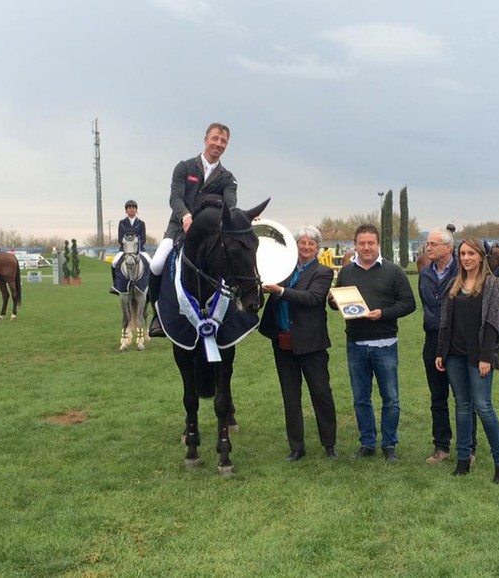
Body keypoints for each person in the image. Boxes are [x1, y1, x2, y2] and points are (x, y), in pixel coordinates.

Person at [331, 224, 416, 464]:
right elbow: (336, 302)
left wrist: (384, 313)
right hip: (356, 344)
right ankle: (367, 442)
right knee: (361, 398)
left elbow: (409, 303)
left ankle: (389, 444)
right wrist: (334, 301)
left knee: (390, 398)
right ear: (355, 245)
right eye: (361, 243)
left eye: (370, 243)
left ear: (378, 244)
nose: (366, 247)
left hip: (385, 343)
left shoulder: (393, 271)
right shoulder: (346, 272)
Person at [148, 122, 237, 337]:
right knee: (157, 264)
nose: (218, 143)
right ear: (206, 139)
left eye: (223, 141)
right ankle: (157, 315)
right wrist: (186, 216)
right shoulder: (184, 167)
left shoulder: (228, 178)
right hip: (179, 228)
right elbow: (175, 197)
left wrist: (241, 216)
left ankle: (234, 312)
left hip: (210, 234)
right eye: (215, 138)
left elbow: (230, 204)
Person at [259, 226, 338, 462]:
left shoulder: (323, 272)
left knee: (321, 394)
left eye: (310, 244)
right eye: (302, 243)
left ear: (317, 248)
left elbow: (312, 298)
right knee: (290, 396)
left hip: (311, 344)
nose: (305, 247)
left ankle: (329, 444)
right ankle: (296, 447)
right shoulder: (281, 267)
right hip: (282, 341)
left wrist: (281, 291)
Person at [435, 238, 499, 483]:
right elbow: (446, 323)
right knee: (462, 407)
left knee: (484, 407)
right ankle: (463, 460)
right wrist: (440, 352)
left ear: (480, 257)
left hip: (479, 357)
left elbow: (492, 324)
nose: (466, 258)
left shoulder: (491, 285)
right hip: (454, 355)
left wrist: (487, 357)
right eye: (463, 254)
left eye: (471, 254)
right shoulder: (454, 286)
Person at [418, 227, 478, 465]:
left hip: (457, 342)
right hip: (432, 340)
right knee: (437, 397)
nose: (428, 248)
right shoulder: (424, 273)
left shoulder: (463, 271)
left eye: (433, 244)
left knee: (464, 398)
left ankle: (469, 448)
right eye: (427, 244)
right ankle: (441, 446)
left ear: (447, 248)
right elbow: (427, 305)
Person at [110, 200, 150, 295]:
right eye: (129, 208)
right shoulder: (122, 223)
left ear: (136, 210)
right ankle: (116, 285)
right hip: (125, 249)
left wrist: (136, 247)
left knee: (150, 263)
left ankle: (149, 286)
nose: (131, 209)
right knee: (114, 262)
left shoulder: (141, 223)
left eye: (133, 208)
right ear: (126, 210)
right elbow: (120, 238)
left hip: (139, 249)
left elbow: (143, 238)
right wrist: (127, 247)